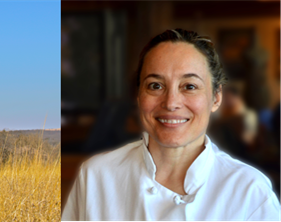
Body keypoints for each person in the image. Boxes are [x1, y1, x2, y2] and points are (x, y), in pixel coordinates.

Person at [62, 29, 280, 221]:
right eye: (155, 85)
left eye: (189, 86)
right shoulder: (96, 176)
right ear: (138, 96)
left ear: (215, 98)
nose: (171, 102)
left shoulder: (250, 191)